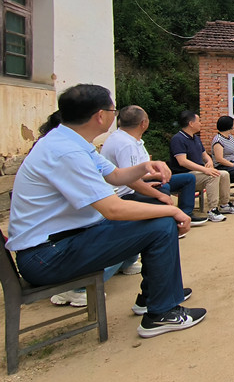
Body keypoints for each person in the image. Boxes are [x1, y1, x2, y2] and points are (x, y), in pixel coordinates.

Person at [8, 84, 205, 337]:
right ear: (100, 116)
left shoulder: (71, 141)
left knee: (157, 218)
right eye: (114, 110)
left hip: (63, 242)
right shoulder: (66, 151)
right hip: (47, 255)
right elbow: (113, 209)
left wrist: (146, 166)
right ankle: (161, 312)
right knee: (161, 223)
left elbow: (115, 175)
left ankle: (154, 298)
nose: (116, 116)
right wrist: (173, 211)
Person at [100, 106, 203, 226]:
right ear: (143, 123)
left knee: (187, 179)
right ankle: (172, 224)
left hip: (137, 183)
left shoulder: (130, 139)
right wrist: (158, 193)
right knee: (163, 195)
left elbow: (131, 174)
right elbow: (130, 180)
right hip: (125, 194)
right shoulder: (126, 144)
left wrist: (153, 177)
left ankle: (186, 214)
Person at [170, 111, 234, 222]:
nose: (201, 124)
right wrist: (205, 169)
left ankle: (224, 204)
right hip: (186, 174)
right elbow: (182, 161)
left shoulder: (196, 138)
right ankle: (212, 210)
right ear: (191, 123)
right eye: (199, 121)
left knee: (224, 174)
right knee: (212, 176)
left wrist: (209, 162)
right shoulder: (178, 139)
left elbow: (205, 155)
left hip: (198, 172)